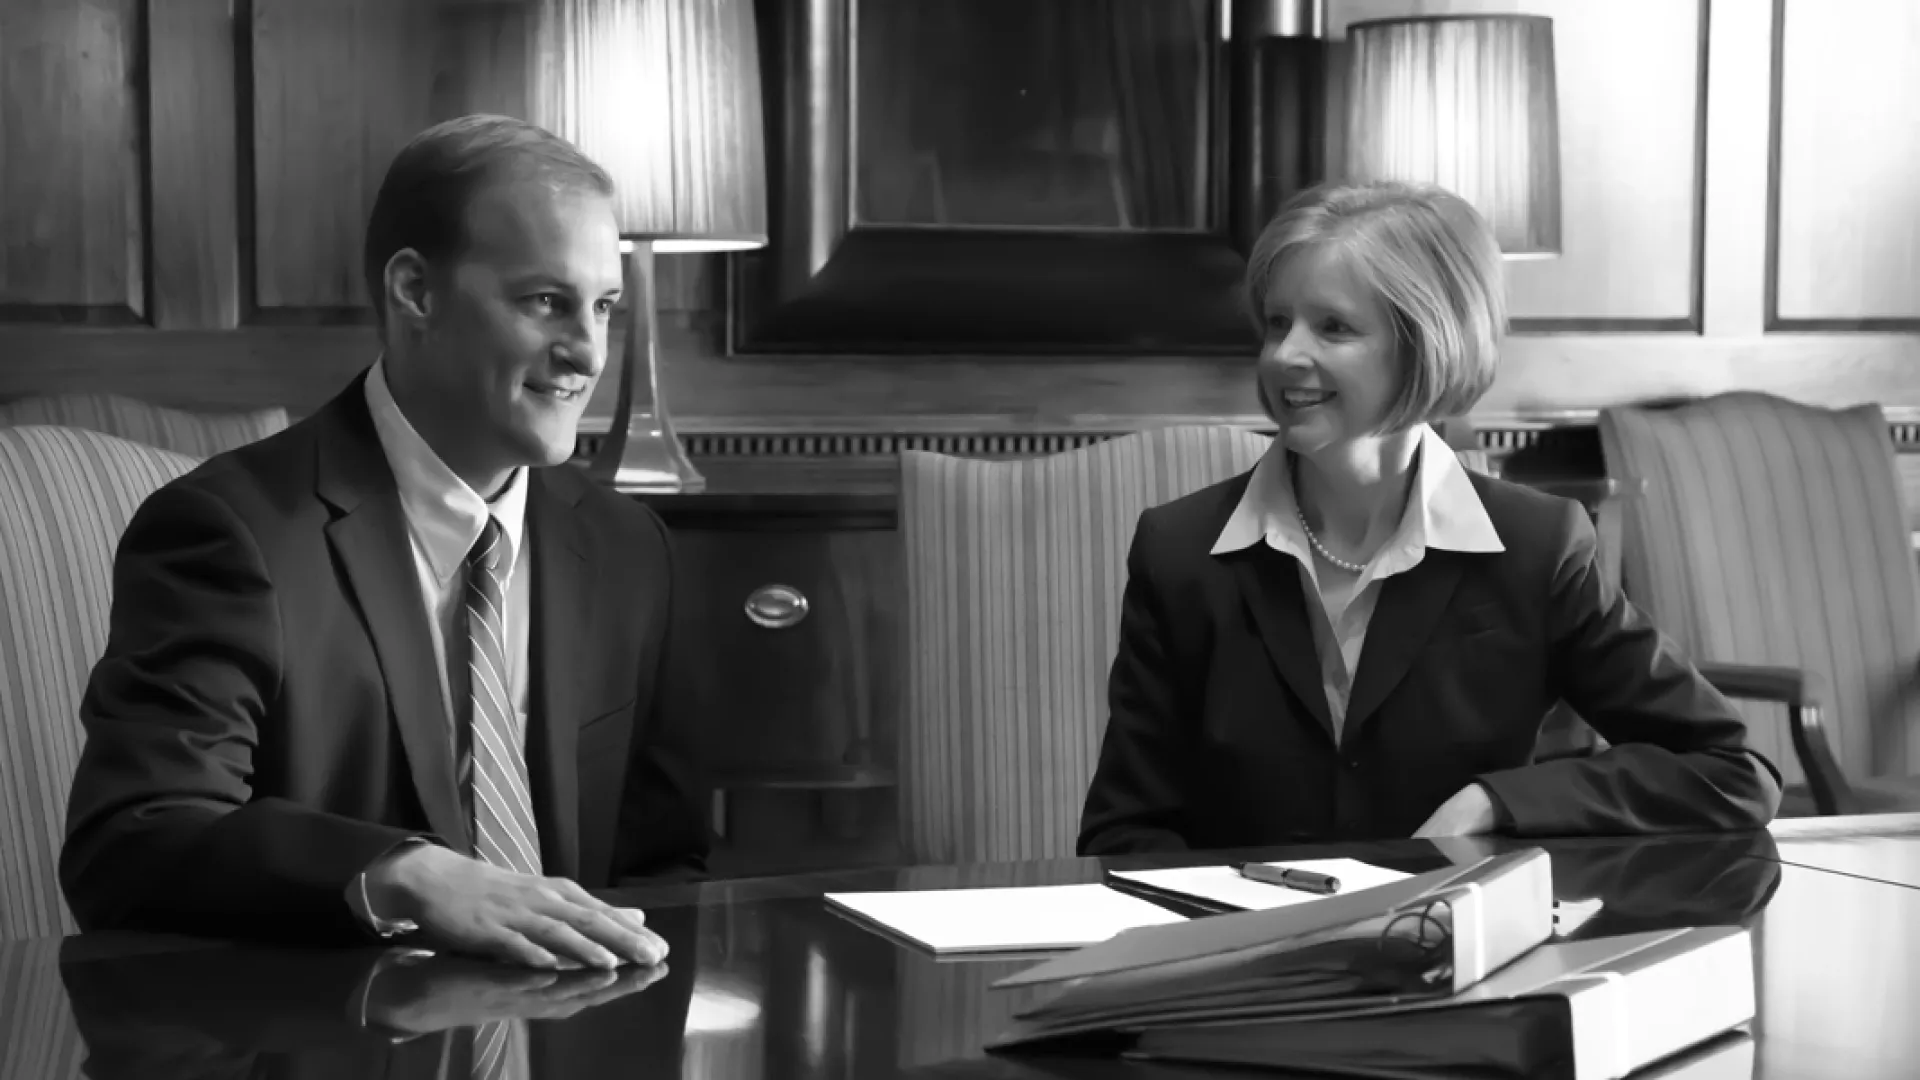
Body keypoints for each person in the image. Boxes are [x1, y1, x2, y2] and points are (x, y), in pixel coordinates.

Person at [61, 114, 707, 969]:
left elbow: (664, 873)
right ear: (415, 292)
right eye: (545, 302)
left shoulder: (628, 548)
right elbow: (134, 842)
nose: (587, 352)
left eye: (603, 307)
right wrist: (399, 874)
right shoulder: (230, 533)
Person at [1078, 180, 1781, 856]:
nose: (1286, 355)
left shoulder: (1537, 547)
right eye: (1277, 322)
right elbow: (1123, 832)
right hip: (1236, 964)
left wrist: (1498, 802)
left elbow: (1730, 770)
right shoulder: (1179, 550)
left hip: (1454, 962)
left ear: (1424, 344)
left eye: (1333, 327)